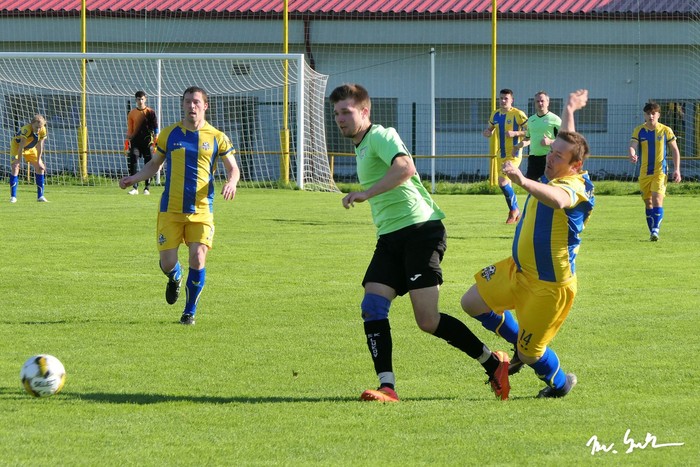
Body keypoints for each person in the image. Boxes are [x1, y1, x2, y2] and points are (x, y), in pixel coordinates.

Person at [330, 83, 511, 403]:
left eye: (346, 112)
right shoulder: (360, 146)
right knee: (372, 307)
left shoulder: (380, 136)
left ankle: (493, 364)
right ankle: (387, 387)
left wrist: (366, 193)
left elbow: (405, 167)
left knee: (427, 320)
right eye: (336, 113)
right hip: (390, 238)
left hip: (421, 231)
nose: (340, 119)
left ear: (364, 111)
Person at [461, 89, 594, 399]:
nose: (550, 157)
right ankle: (519, 343)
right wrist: (570, 109)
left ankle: (560, 384)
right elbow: (568, 142)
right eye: (551, 152)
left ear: (575, 166)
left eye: (557, 156)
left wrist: (522, 181)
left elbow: (558, 200)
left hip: (548, 287)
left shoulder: (573, 186)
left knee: (532, 354)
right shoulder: (560, 169)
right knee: (472, 303)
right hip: (517, 270)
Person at [119, 86, 240, 325]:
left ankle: (189, 312)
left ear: (205, 106)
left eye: (196, 102)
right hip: (171, 210)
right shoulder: (169, 134)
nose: (191, 106)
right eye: (187, 102)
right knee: (167, 263)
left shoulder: (217, 137)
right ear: (183, 105)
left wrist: (232, 182)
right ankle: (175, 276)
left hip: (202, 209)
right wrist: (134, 178)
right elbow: (154, 164)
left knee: (198, 257)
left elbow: (233, 168)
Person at [628, 101, 682, 242]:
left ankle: (655, 230)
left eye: (653, 113)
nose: (651, 116)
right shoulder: (639, 130)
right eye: (648, 114)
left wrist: (677, 169)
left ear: (658, 115)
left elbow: (675, 150)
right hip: (644, 173)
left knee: (657, 199)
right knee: (648, 203)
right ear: (644, 115)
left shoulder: (665, 130)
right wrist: (632, 154)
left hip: (660, 172)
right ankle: (652, 231)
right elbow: (633, 145)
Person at [483, 88, 528, 224]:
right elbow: (490, 129)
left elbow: (530, 131)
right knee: (505, 184)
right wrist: (487, 132)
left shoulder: (518, 114)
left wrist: (516, 133)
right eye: (501, 98)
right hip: (500, 154)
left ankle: (514, 210)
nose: (503, 101)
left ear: (512, 100)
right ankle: (514, 212)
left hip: (514, 153)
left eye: (506, 98)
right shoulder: (495, 114)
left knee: (502, 182)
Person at [514, 91, 561, 181]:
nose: (540, 103)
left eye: (542, 101)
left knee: (549, 185)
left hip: (549, 157)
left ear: (548, 102)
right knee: (530, 185)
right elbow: (528, 138)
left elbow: (566, 140)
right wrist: (517, 146)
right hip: (533, 158)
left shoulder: (555, 119)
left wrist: (550, 142)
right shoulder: (531, 120)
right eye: (537, 101)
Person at [125, 90, 159, 195]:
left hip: (148, 142)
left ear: (145, 99)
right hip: (135, 141)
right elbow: (130, 129)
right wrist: (127, 141)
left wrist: (156, 139)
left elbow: (156, 127)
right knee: (133, 160)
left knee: (148, 164)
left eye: (142, 99)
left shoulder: (150, 112)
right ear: (136, 100)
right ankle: (134, 187)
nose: (140, 101)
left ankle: (147, 188)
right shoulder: (132, 113)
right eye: (139, 99)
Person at [9, 114, 49, 203]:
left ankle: (40, 196)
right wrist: (18, 160)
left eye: (40, 127)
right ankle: (13, 197)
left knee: (40, 168)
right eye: (36, 127)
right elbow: (21, 147)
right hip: (17, 147)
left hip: (30, 148)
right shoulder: (26, 130)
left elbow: (40, 146)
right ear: (32, 124)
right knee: (15, 167)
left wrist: (39, 160)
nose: (38, 129)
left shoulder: (43, 129)